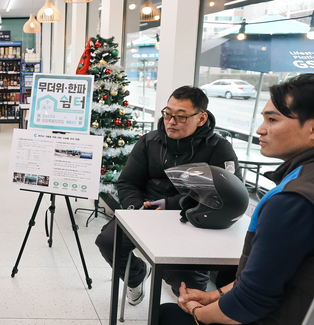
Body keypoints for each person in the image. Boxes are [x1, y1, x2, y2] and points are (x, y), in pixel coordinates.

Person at [158, 74, 314, 325]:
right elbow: (269, 276)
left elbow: (251, 301)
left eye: (273, 119)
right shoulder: (300, 184)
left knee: (167, 317)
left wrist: (198, 312)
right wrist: (213, 295)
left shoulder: (292, 201)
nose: (260, 129)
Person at [95, 86, 241, 305]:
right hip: (146, 210)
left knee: (187, 285)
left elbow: (226, 194)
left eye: (181, 117)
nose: (171, 122)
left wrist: (170, 205)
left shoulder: (219, 148)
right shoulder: (150, 141)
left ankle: (189, 311)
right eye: (167, 114)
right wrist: (136, 208)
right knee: (108, 242)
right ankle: (136, 277)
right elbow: (128, 181)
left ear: (201, 118)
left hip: (191, 218)